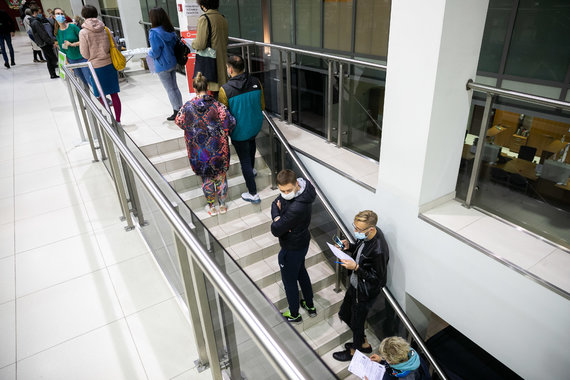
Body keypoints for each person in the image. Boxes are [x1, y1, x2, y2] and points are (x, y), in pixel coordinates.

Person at [333, 210, 389, 362]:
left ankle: (355, 351)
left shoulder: (379, 249)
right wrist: (349, 246)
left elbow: (376, 279)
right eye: (355, 227)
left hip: (365, 292)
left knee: (358, 322)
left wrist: (356, 268)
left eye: (359, 229)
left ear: (371, 229)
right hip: (355, 285)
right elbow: (360, 251)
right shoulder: (367, 236)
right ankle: (363, 342)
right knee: (344, 313)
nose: (355, 231)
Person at [175, 72, 236, 215]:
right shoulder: (217, 105)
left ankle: (211, 207)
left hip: (199, 150)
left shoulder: (187, 107)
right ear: (208, 87)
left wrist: (193, 129)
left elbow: (179, 121)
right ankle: (222, 205)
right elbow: (230, 122)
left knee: (206, 178)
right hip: (218, 149)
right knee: (220, 177)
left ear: (195, 88)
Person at [270, 169, 317, 323]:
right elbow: (274, 203)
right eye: (282, 190)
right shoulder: (305, 188)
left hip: (291, 247)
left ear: (296, 184)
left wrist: (278, 218)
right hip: (302, 241)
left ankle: (294, 314)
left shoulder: (297, 207)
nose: (285, 194)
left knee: (289, 282)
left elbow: (276, 230)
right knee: (301, 272)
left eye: (289, 190)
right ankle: (309, 305)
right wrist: (280, 217)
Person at [219, 55, 265, 204]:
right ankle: (251, 171)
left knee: (244, 160)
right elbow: (262, 105)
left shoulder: (225, 90)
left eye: (227, 68)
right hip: (255, 125)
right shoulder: (256, 82)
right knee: (251, 145)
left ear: (230, 69)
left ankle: (253, 193)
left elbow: (223, 115)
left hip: (239, 130)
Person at [79, 5, 122, 123]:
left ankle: (110, 119)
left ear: (84, 15)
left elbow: (84, 54)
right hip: (110, 64)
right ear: (96, 14)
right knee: (114, 94)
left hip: (95, 67)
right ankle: (118, 121)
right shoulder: (105, 29)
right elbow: (115, 45)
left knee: (100, 95)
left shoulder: (83, 32)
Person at [148, 7, 183, 121]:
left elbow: (156, 52)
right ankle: (181, 109)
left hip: (162, 65)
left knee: (170, 89)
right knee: (175, 87)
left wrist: (149, 53)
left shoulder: (154, 33)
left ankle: (176, 111)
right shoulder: (170, 30)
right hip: (172, 62)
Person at [191, 0, 228, 96]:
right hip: (222, 62)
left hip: (210, 63)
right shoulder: (222, 18)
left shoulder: (204, 19)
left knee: (212, 95)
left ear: (203, 6)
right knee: (221, 93)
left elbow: (200, 44)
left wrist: (192, 43)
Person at [54, 8, 89, 85]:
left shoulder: (73, 27)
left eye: (61, 14)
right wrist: (67, 63)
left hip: (82, 57)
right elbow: (62, 49)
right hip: (71, 60)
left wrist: (72, 44)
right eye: (58, 14)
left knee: (89, 79)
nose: (60, 15)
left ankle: (100, 97)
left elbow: (85, 40)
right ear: (54, 17)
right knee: (82, 82)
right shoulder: (58, 32)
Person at [29, 5, 58, 78]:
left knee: (49, 59)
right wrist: (51, 42)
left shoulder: (34, 21)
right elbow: (43, 34)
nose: (40, 14)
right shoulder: (35, 22)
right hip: (44, 43)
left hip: (42, 43)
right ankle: (53, 73)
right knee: (53, 58)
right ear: (35, 12)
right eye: (39, 12)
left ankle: (52, 74)